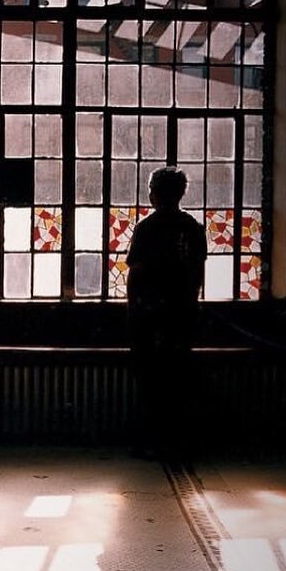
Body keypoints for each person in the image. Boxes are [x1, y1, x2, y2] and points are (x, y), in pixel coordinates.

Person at [126, 165, 207, 459]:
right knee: (177, 380)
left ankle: (151, 441)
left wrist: (133, 310)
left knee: (149, 382)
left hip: (148, 316)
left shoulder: (147, 228)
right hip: (182, 315)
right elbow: (196, 274)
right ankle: (177, 442)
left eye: (151, 189)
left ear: (158, 194)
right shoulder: (193, 228)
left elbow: (136, 273)